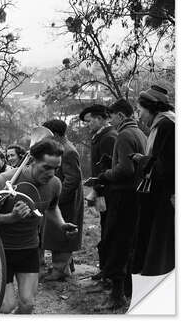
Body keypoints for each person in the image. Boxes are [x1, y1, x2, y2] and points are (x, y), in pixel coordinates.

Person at [0, 138, 78, 314]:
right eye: (46, 167)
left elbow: (51, 207)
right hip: (0, 250)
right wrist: (11, 217)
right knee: (6, 305)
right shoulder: (4, 181)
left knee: (27, 304)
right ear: (31, 161)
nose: (52, 173)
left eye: (56, 168)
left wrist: (61, 224)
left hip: (28, 249)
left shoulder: (54, 184)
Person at [96, 99, 147, 310]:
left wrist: (105, 174)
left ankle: (118, 296)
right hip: (136, 196)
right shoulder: (141, 133)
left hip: (123, 197)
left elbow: (125, 169)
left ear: (121, 116)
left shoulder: (125, 134)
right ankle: (127, 290)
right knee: (129, 244)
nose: (112, 121)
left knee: (117, 242)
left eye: (113, 116)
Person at [131, 85, 175, 276]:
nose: (139, 116)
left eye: (140, 110)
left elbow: (166, 166)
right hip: (162, 195)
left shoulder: (167, 126)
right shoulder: (165, 124)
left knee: (159, 245)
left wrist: (142, 161)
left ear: (151, 108)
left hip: (163, 197)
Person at [41, 120, 84, 281]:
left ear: (56, 134)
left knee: (63, 235)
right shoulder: (61, 148)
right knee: (57, 234)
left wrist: (57, 198)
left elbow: (72, 179)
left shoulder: (67, 151)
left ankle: (60, 270)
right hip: (63, 200)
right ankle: (65, 266)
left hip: (67, 201)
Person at [79, 104, 117, 283]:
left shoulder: (109, 137)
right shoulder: (100, 137)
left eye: (90, 120)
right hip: (103, 190)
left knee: (110, 231)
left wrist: (95, 191)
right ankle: (105, 269)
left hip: (108, 192)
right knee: (104, 228)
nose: (88, 124)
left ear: (101, 119)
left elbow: (108, 169)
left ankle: (109, 272)